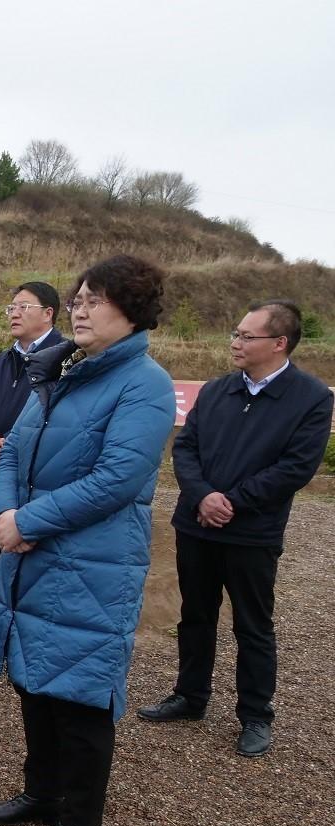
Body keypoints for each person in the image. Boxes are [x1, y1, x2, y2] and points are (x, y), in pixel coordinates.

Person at [0, 254, 175, 826]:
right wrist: (5, 517)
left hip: (91, 565)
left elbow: (119, 479)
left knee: (81, 695)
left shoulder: (146, 384)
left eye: (94, 301)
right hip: (33, 555)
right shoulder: (62, 373)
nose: (80, 309)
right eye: (78, 299)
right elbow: (11, 455)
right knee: (33, 679)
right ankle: (42, 793)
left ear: (132, 312)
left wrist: (27, 522)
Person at [138, 299, 333, 758]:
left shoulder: (310, 398)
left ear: (279, 343)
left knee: (253, 624)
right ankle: (190, 696)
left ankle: (255, 714)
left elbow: (296, 467)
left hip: (252, 532)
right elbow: (185, 449)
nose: (235, 342)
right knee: (196, 614)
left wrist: (233, 503)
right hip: (197, 525)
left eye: (247, 336)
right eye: (236, 333)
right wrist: (203, 496)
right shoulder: (217, 390)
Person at [0, 283, 65, 585]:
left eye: (24, 307)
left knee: (34, 572)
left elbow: (60, 419)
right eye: (11, 308)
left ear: (48, 314)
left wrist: (12, 445)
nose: (14, 314)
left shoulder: (66, 362)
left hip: (38, 479)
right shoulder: (2, 361)